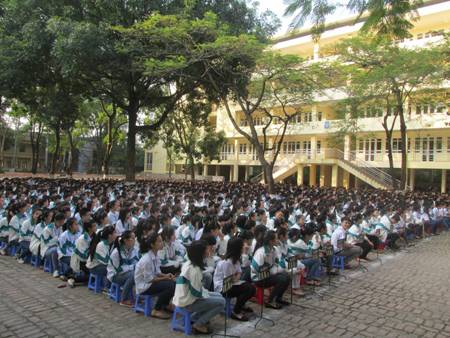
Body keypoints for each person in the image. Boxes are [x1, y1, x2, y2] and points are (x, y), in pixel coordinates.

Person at [173, 240, 226, 334]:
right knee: (221, 302)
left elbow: (197, 290)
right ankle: (198, 324)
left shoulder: (189, 263)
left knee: (218, 296)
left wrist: (206, 294)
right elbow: (196, 293)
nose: (208, 251)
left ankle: (195, 318)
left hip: (185, 296)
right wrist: (206, 295)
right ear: (200, 253)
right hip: (187, 302)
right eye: (206, 249)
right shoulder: (194, 270)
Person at [134, 232, 176, 319]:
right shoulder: (147, 259)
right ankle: (156, 309)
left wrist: (166, 275)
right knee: (170, 285)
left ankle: (165, 304)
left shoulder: (155, 255)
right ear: (152, 245)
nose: (162, 243)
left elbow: (157, 272)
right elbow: (149, 279)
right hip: (144, 286)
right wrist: (165, 277)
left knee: (172, 282)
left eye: (161, 241)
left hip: (150, 282)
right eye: (159, 241)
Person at [213, 237, 255, 321]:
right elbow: (229, 280)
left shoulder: (236, 260)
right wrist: (236, 277)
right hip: (223, 288)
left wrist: (236, 277)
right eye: (242, 246)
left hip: (232, 284)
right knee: (248, 288)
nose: (244, 247)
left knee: (251, 288)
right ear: (237, 248)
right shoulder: (227, 262)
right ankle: (236, 311)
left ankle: (240, 305)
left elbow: (239, 273)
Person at [251, 230, 291, 309]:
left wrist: (279, 270)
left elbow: (277, 263)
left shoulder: (274, 249)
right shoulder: (261, 252)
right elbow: (257, 270)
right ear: (270, 241)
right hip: (259, 278)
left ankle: (278, 298)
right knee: (282, 279)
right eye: (276, 239)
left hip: (269, 274)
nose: (277, 240)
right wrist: (274, 271)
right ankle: (270, 301)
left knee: (287, 276)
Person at [107, 230, 139, 307]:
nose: (135, 240)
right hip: (115, 275)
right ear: (126, 240)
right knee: (133, 275)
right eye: (133, 238)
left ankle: (138, 296)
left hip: (127, 273)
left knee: (138, 273)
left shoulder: (134, 250)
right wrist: (132, 267)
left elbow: (137, 262)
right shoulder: (116, 252)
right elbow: (119, 270)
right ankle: (124, 299)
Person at [70, 219, 97, 287]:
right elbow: (82, 257)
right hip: (81, 262)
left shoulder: (95, 236)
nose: (96, 227)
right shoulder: (81, 239)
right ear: (89, 228)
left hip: (90, 260)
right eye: (94, 226)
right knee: (92, 275)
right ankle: (73, 278)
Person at [41, 212, 65, 278]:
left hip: (56, 247)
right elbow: (47, 243)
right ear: (55, 221)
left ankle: (64, 270)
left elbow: (61, 239)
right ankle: (55, 270)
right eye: (60, 222)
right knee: (55, 250)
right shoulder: (48, 229)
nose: (61, 224)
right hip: (46, 249)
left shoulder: (60, 228)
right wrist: (56, 240)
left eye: (62, 222)